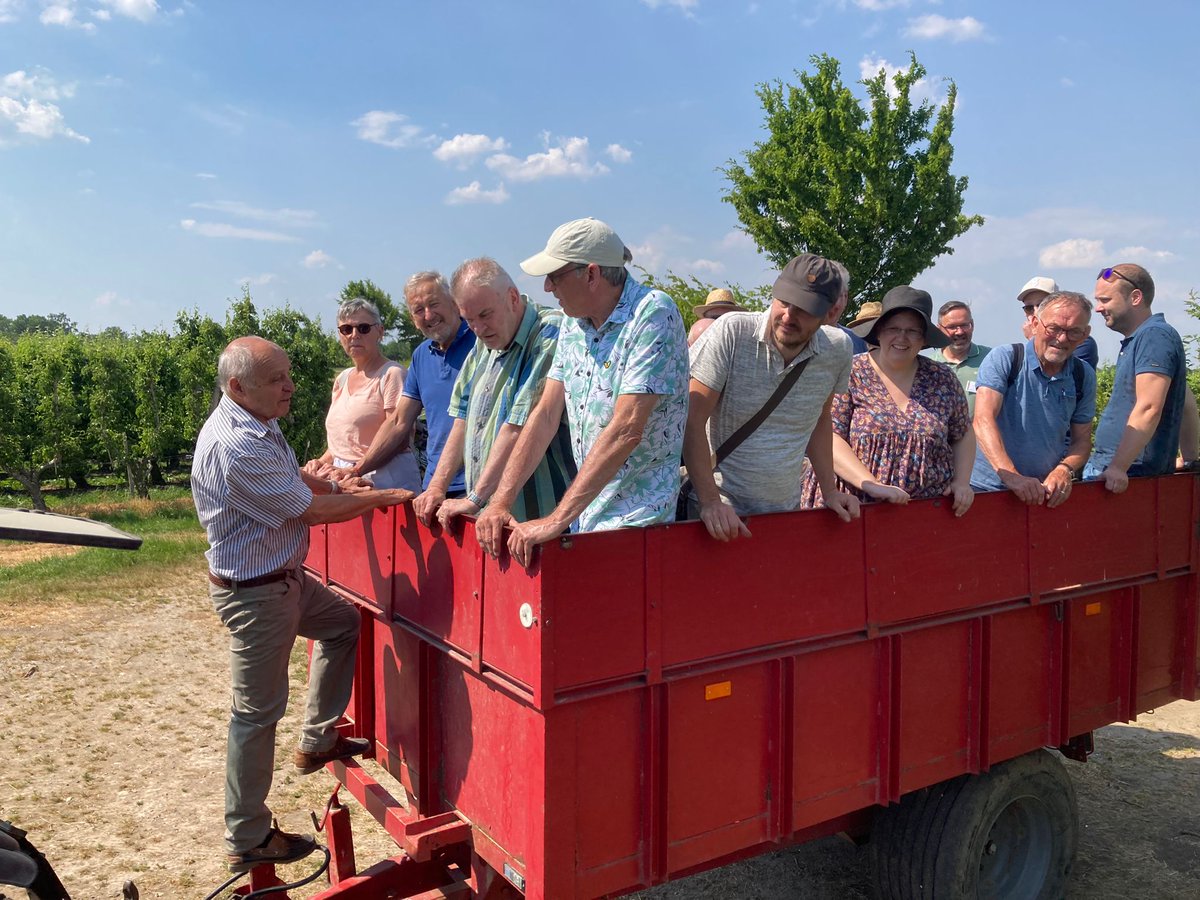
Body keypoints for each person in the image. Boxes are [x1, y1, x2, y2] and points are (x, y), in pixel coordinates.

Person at [191, 336, 414, 873]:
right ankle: (246, 835)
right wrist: (379, 498)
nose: (291, 387)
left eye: (288, 375)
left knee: (341, 623)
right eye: (278, 380)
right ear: (238, 385)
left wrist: (347, 480)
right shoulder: (235, 444)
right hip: (257, 595)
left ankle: (317, 739)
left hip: (284, 581)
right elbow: (309, 510)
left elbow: (299, 479)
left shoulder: (258, 422)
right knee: (256, 712)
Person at [474, 217, 688, 565]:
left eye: (555, 275)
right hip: (586, 519)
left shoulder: (653, 312)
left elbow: (626, 429)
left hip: (638, 525)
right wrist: (499, 503)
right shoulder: (574, 323)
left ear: (591, 275)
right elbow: (545, 414)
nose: (546, 287)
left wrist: (556, 519)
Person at [683, 254, 858, 541]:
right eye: (784, 301)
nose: (789, 315)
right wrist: (710, 502)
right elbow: (692, 418)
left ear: (831, 313)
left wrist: (829, 491)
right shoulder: (732, 331)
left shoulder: (838, 348)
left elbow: (819, 418)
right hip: (719, 515)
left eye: (804, 309)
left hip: (784, 513)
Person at [411, 258, 575, 526]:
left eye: (485, 315)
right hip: (493, 516)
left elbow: (518, 426)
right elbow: (461, 419)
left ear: (512, 298)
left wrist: (475, 498)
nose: (478, 328)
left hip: (541, 517)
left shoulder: (549, 332)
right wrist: (437, 487)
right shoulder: (483, 341)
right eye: (469, 320)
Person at [801, 286, 975, 516]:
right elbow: (829, 436)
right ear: (879, 331)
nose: (902, 338)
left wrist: (962, 482)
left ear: (923, 339)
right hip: (850, 510)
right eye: (894, 328)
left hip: (923, 513)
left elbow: (962, 434)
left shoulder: (942, 379)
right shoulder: (851, 371)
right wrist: (871, 483)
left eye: (912, 331)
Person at [351, 272, 476, 495]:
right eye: (419, 310)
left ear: (454, 303)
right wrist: (357, 470)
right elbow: (399, 421)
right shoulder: (421, 356)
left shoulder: (481, 342)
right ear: (413, 320)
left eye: (434, 304)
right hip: (434, 486)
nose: (428, 315)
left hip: (479, 485)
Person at [971, 291, 1097, 506]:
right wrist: (1012, 477)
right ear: (1035, 324)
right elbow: (983, 420)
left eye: (1073, 332)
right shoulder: (1006, 358)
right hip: (986, 491)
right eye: (1054, 328)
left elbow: (1082, 440)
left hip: (1043, 495)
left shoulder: (1082, 375)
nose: (1062, 338)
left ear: (1085, 334)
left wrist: (1064, 469)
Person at [1085, 264, 1188, 491]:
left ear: (1135, 297)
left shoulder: (1153, 336)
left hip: (1128, 474)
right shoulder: (1143, 338)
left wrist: (1118, 467)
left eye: (1105, 300)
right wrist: (1189, 459)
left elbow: (1149, 407)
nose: (1098, 309)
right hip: (1124, 470)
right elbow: (1186, 400)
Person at [303, 298, 421, 491]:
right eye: (346, 329)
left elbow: (399, 437)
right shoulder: (342, 379)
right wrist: (320, 464)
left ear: (380, 332)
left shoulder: (392, 375)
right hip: (344, 482)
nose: (354, 335)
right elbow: (341, 445)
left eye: (363, 328)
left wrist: (356, 470)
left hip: (385, 481)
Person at [926, 301, 991, 416]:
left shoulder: (991, 359)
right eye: (952, 327)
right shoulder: (928, 365)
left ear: (972, 324)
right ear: (939, 329)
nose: (960, 332)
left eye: (964, 325)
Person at [1019, 276, 1099, 368]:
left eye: (1041, 305)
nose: (1036, 311)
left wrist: (1033, 339)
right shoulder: (1011, 358)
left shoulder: (1081, 341)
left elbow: (1062, 375)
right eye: (1029, 308)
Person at [827, 261, 869, 354]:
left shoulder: (859, 342)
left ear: (845, 298)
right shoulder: (796, 338)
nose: (831, 303)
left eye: (836, 294)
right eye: (824, 295)